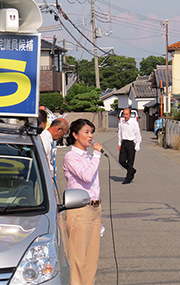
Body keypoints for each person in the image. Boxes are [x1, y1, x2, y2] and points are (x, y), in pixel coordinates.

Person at [63, 118, 103, 285]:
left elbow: (94, 186)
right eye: (86, 132)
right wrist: (97, 155)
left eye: (91, 132)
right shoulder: (71, 156)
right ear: (75, 135)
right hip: (79, 209)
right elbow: (86, 177)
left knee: (91, 258)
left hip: (94, 208)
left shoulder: (88, 155)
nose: (90, 136)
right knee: (77, 258)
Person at [40, 118, 69, 185]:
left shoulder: (46, 138)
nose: (62, 136)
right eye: (63, 134)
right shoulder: (45, 142)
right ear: (58, 129)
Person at [118, 108, 141, 184]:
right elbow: (120, 134)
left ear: (130, 114)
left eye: (127, 114)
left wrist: (138, 143)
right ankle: (132, 170)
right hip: (124, 142)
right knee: (121, 160)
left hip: (131, 143)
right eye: (124, 114)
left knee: (130, 161)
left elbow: (137, 133)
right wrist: (119, 143)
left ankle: (128, 178)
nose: (125, 116)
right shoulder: (122, 123)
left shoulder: (134, 123)